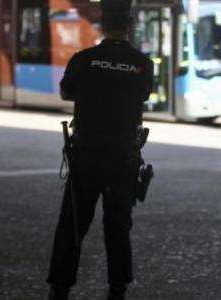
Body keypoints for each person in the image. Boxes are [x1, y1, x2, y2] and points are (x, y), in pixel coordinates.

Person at [46, 1, 153, 299]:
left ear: (102, 25)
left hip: (86, 155)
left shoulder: (84, 59)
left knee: (73, 223)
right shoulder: (143, 63)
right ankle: (117, 289)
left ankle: (60, 288)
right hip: (122, 156)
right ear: (130, 24)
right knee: (118, 225)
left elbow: (67, 91)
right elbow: (143, 94)